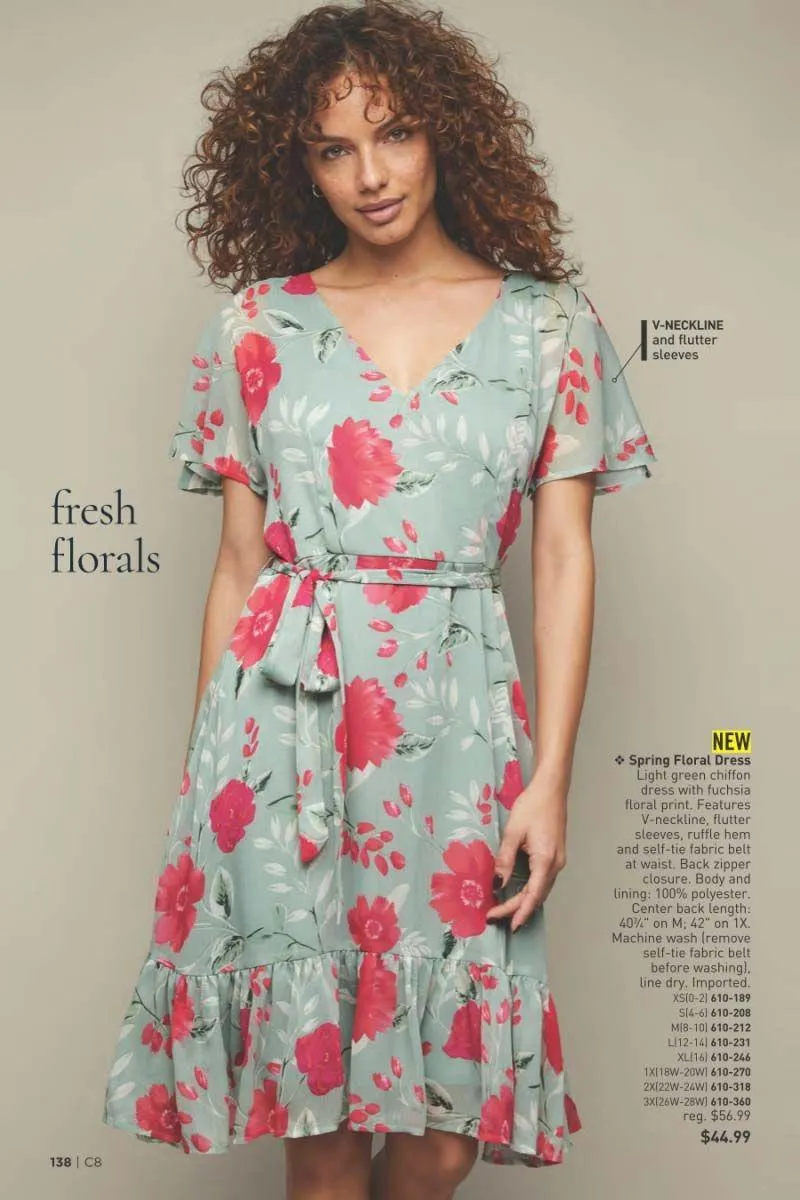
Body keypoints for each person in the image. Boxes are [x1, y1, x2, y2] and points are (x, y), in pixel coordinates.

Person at [101, 1, 657, 1195]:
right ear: (295, 165)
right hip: (283, 737)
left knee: (442, 1138)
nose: (370, 175)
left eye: (395, 134)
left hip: (462, 739)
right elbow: (238, 566)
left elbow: (562, 560)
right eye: (332, 148)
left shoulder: (548, 325)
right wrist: (207, 782)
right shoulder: (255, 326)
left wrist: (549, 782)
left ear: (444, 131)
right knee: (321, 1127)